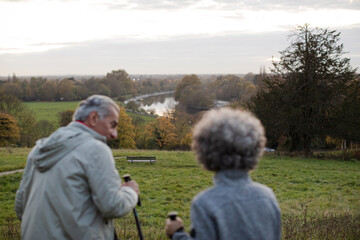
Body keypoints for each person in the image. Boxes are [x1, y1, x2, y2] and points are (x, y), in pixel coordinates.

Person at [15, 95, 139, 240]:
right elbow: (112, 206)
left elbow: (20, 206)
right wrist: (130, 192)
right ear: (93, 118)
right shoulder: (96, 149)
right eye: (112, 125)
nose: (114, 134)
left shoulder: (39, 149)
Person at [165, 108, 281, 240]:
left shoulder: (205, 203)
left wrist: (177, 234)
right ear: (254, 148)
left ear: (205, 152)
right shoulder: (267, 197)